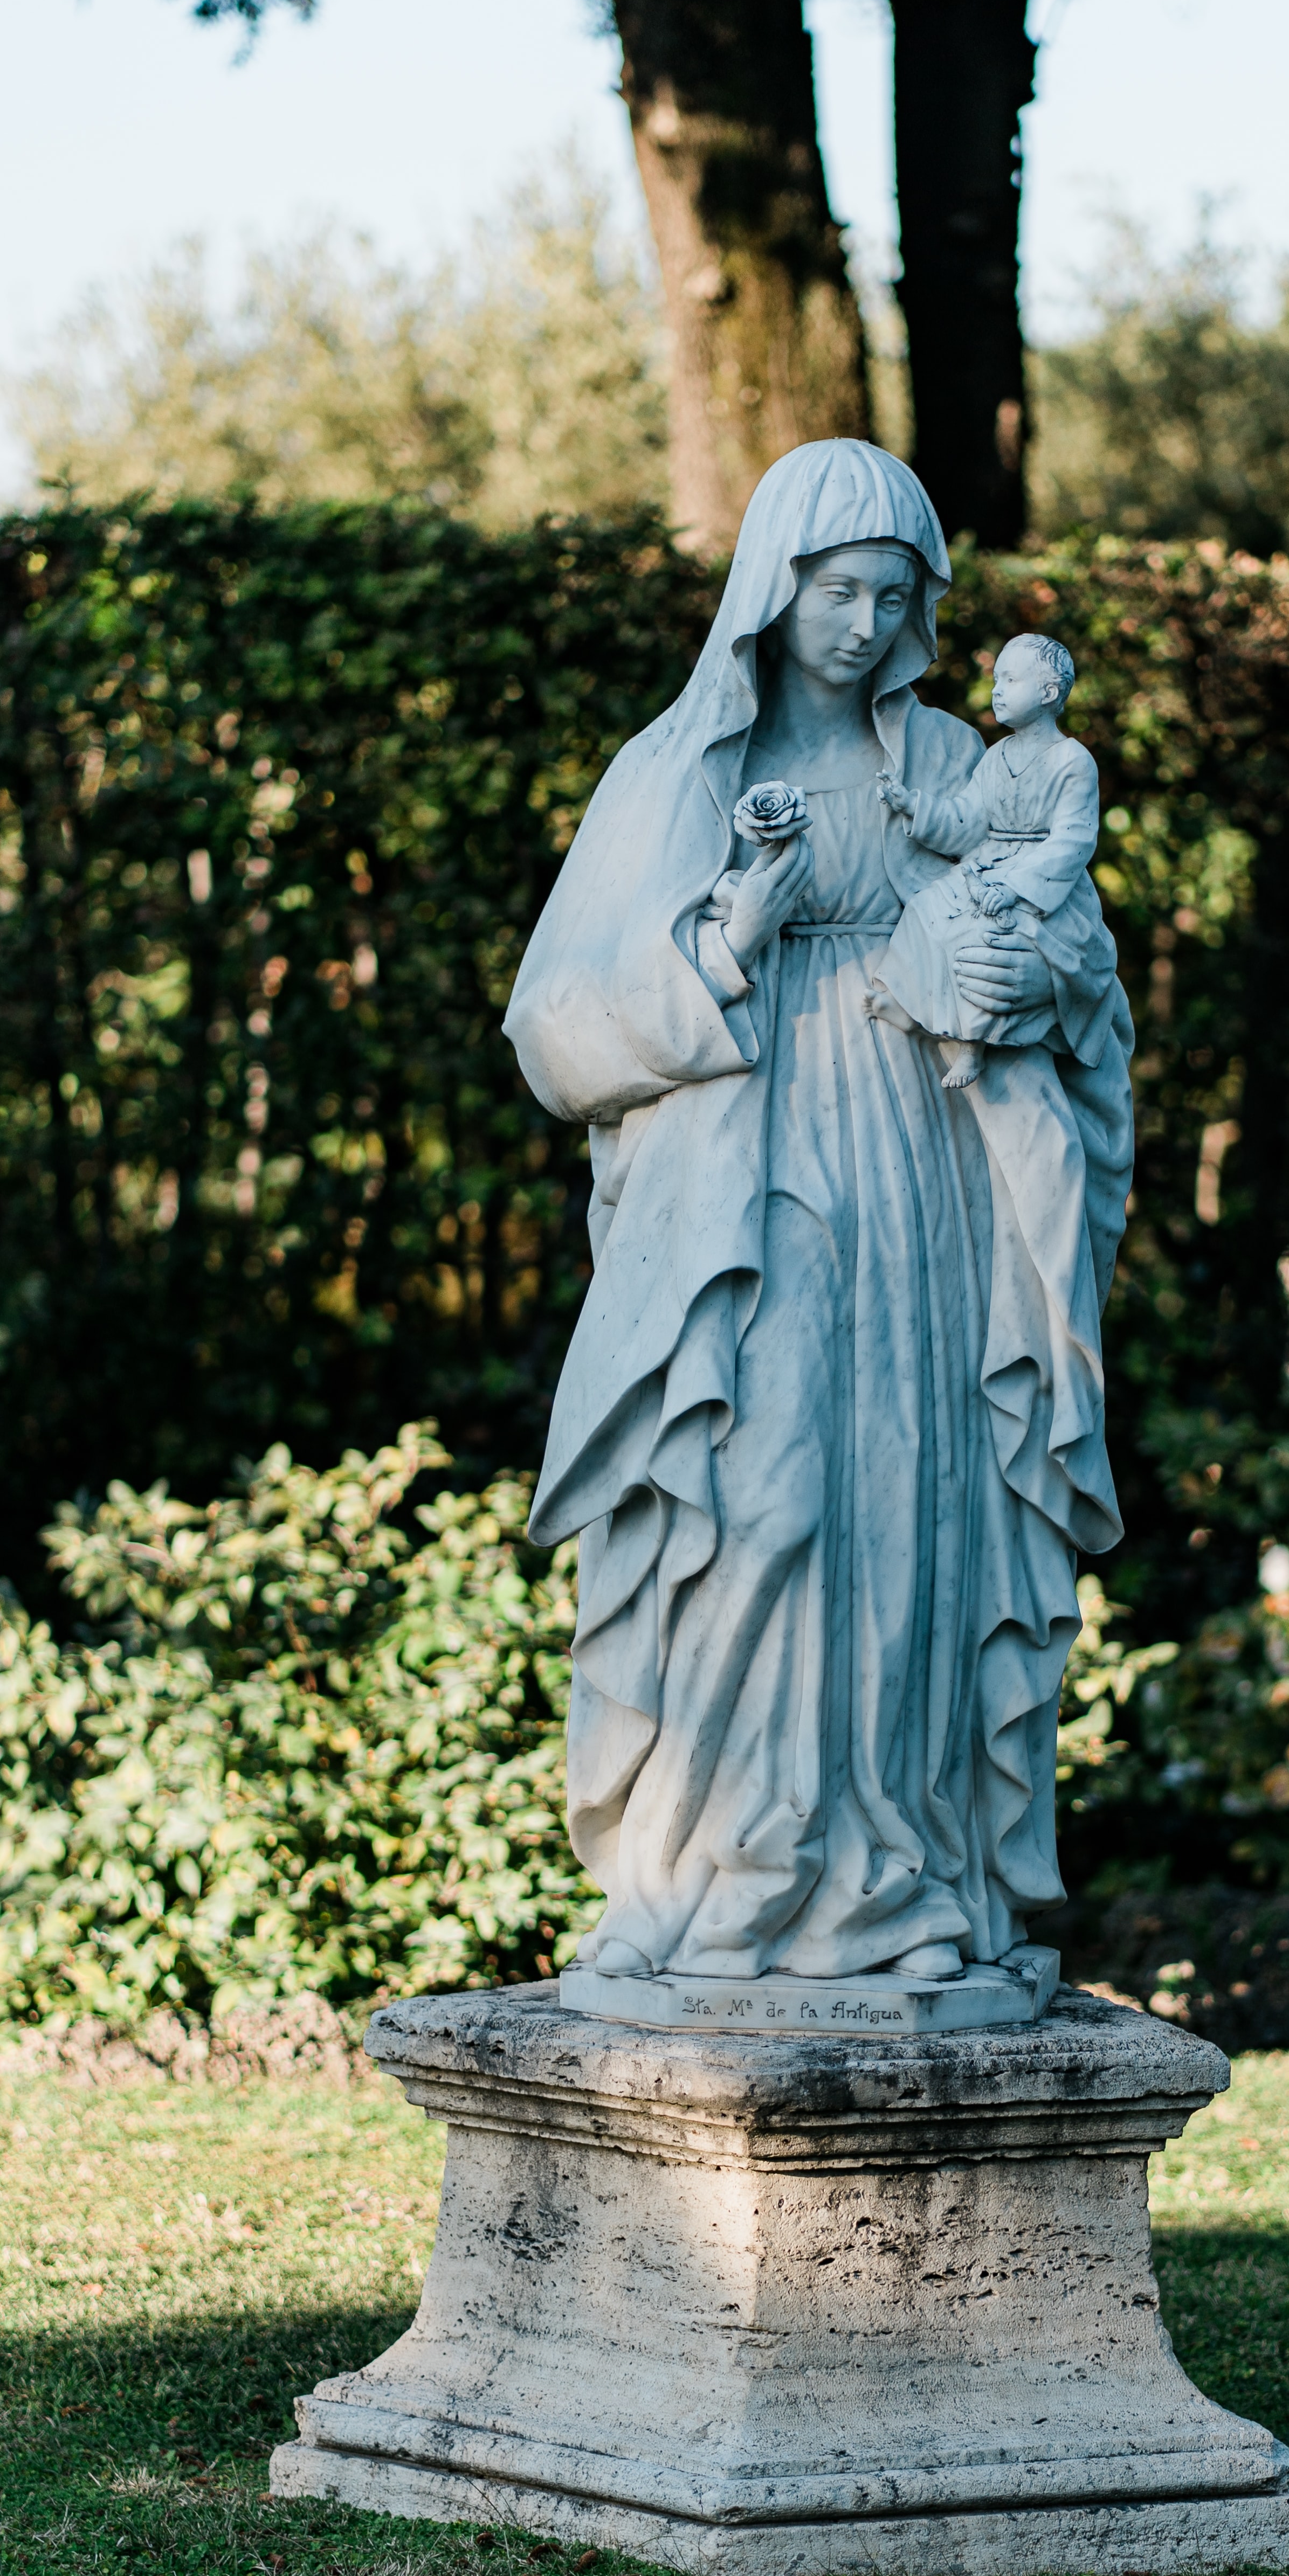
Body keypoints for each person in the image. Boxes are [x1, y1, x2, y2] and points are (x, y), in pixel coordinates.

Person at [503, 441, 1134, 1987]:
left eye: (894, 596)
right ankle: (717, 1870)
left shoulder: (957, 766)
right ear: (774, 589)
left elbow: (1076, 961)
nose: (862, 623)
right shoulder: (681, 773)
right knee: (759, 1494)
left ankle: (907, 1882)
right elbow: (558, 1025)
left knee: (912, 1507)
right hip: (746, 1167)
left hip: (923, 1162)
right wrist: (727, 946)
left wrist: (1028, 985)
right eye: (837, 589)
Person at [871, 631, 1105, 1091]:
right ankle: (914, 1002)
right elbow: (967, 819)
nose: (996, 690)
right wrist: (913, 804)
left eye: (1011, 679)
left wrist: (1015, 888)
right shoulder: (996, 755)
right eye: (996, 679)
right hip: (987, 863)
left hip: (1038, 882)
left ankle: (972, 1045)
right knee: (926, 911)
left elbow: (1072, 841)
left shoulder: (1073, 761)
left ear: (1048, 693)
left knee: (989, 939)